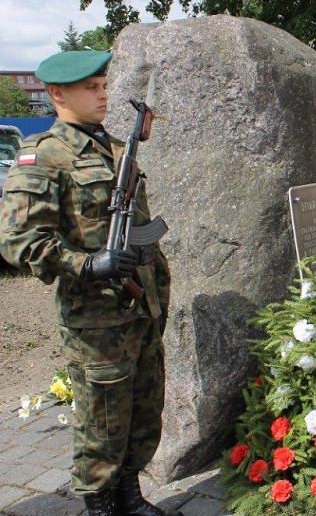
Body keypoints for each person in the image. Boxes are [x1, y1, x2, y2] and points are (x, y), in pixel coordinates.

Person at [0, 51, 171, 515]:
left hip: (141, 306)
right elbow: (19, 241)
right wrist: (88, 264)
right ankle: (99, 504)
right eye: (91, 87)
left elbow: (139, 226)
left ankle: (129, 493)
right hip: (96, 318)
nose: (103, 94)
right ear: (58, 93)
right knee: (102, 421)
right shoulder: (44, 154)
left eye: (103, 84)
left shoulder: (117, 147)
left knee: (142, 409)